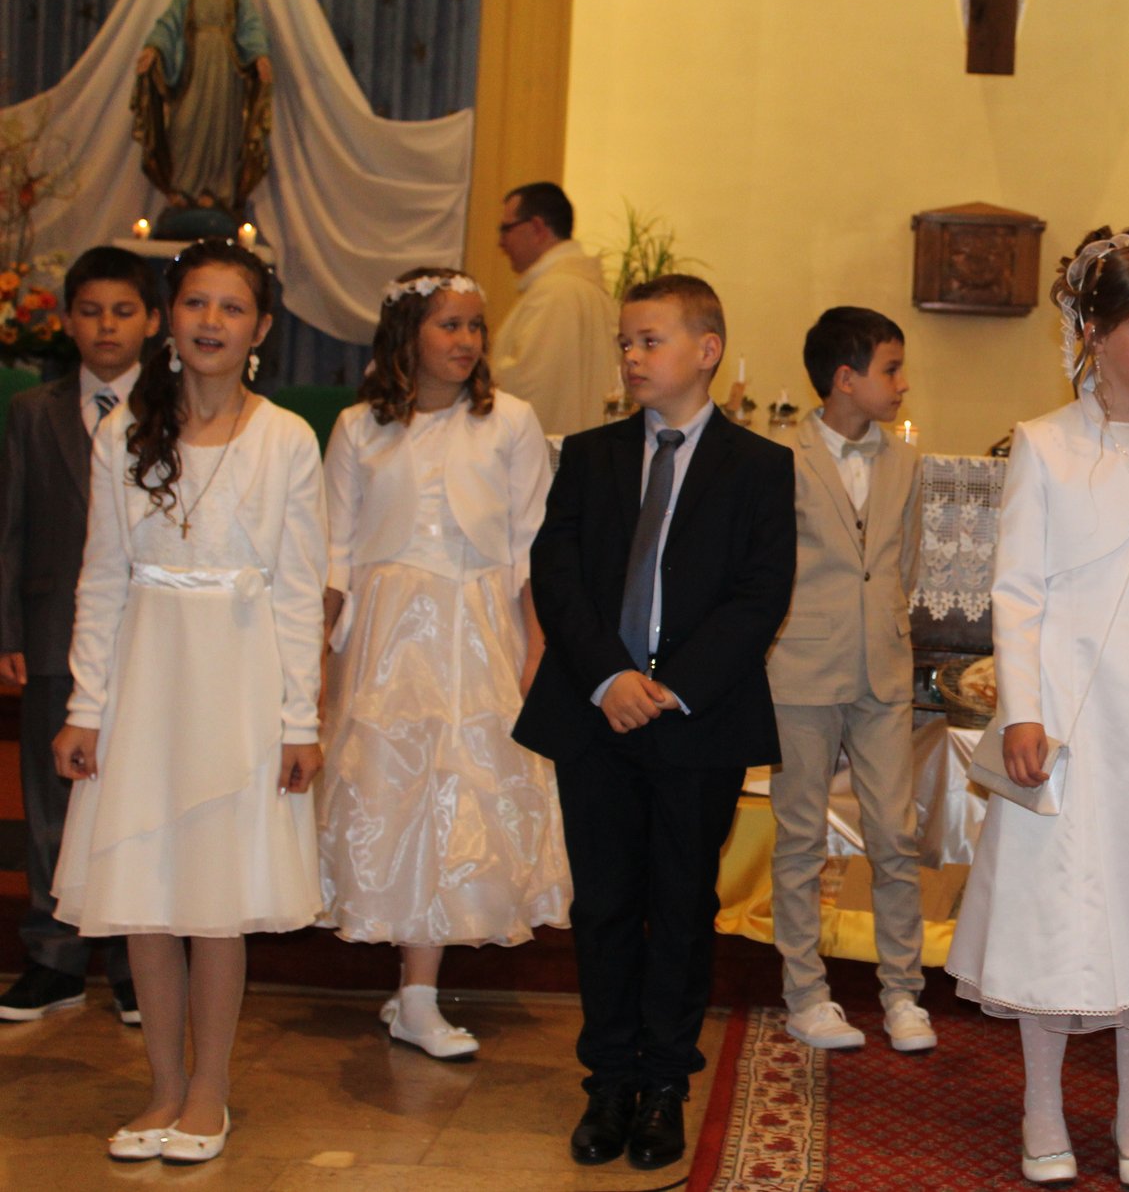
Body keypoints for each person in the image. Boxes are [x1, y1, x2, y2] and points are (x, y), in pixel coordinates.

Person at [946, 228, 1129, 1189]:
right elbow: (1019, 590)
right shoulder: (1045, 444)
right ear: (1093, 332)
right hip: (1071, 722)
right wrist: (1024, 711)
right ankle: (1042, 1108)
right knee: (1056, 913)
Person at [50, 238, 326, 1164]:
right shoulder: (124, 433)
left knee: (214, 899)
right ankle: (162, 1084)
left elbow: (299, 590)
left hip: (238, 685)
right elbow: (101, 577)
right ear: (171, 317)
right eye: (196, 303)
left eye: (232, 307)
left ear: (261, 328)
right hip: (146, 682)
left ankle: (210, 1091)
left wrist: (299, 721)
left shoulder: (287, 438)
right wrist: (87, 704)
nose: (212, 321)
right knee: (145, 895)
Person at [513, 274, 795, 1172]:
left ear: (707, 350)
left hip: (694, 719)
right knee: (603, 903)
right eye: (626, 343)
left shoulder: (758, 466)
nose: (633, 357)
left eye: (651, 340)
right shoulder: (589, 454)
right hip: (596, 711)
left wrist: (670, 686)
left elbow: (760, 595)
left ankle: (666, 1082)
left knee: (680, 903)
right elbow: (556, 573)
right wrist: (609, 676)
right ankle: (608, 1081)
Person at [317, 268, 571, 1059]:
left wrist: (537, 645)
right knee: (395, 795)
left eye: (475, 327)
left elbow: (531, 545)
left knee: (460, 798)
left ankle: (418, 992)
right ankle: (415, 992)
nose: (466, 341)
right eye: (449, 325)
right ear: (407, 334)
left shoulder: (511, 422)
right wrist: (314, 658)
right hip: (388, 637)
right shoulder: (358, 427)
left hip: (478, 628)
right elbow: (334, 550)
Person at [0, 247, 159, 1027]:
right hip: (53, 629)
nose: (106, 326)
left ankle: (135, 962)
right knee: (51, 798)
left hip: (150, 634)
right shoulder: (35, 412)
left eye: (123, 311)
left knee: (135, 797)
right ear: (67, 321)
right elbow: (11, 524)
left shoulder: (173, 410)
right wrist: (8, 626)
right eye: (91, 312)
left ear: (152, 321)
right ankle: (54, 957)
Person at [766, 306, 932, 1054]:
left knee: (895, 833)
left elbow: (906, 562)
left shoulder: (905, 460)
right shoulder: (781, 456)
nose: (902, 383)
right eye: (890, 369)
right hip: (801, 665)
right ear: (845, 378)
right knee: (801, 834)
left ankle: (903, 992)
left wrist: (883, 628)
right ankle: (805, 992)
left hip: (882, 667)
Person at [132, 0, 273, 209]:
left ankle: (217, 190)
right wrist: (153, 48)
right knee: (185, 124)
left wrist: (260, 55)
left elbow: (251, 26)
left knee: (222, 127)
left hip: (225, 70)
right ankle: (182, 188)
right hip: (193, 69)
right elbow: (170, 22)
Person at [488, 182, 622, 437]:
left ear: (537, 228)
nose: (501, 242)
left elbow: (530, 388)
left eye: (506, 229)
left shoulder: (555, 293)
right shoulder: (587, 288)